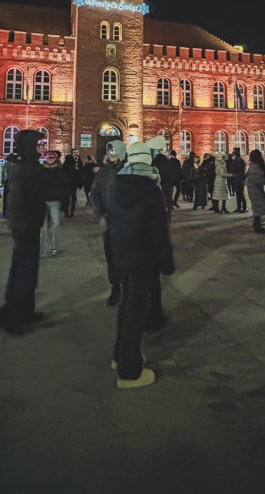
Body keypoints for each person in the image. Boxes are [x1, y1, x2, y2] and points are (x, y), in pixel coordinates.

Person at [107, 141, 175, 389]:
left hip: (122, 256)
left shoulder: (117, 184)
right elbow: (159, 234)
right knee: (136, 311)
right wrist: (166, 264)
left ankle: (120, 354)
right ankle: (129, 371)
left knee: (127, 307)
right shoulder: (150, 190)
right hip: (142, 258)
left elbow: (111, 223)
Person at [0, 130, 48, 335]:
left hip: (29, 224)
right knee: (23, 272)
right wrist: (23, 224)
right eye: (38, 144)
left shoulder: (30, 166)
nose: (42, 147)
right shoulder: (27, 168)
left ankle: (26, 310)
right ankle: (13, 317)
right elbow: (16, 199)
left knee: (29, 270)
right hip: (26, 226)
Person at [91, 141, 126, 306]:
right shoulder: (103, 173)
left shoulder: (129, 171)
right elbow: (95, 195)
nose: (112, 155)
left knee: (127, 256)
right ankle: (116, 287)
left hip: (127, 221)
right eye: (109, 152)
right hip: (110, 221)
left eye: (114, 152)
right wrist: (101, 215)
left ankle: (128, 286)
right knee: (111, 256)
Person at [40, 150, 66, 256]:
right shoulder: (40, 170)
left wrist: (64, 202)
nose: (50, 158)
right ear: (45, 158)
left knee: (55, 224)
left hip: (55, 200)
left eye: (52, 157)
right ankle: (44, 248)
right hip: (41, 201)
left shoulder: (60, 171)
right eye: (48, 156)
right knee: (43, 226)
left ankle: (54, 246)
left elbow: (64, 186)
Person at [245, 149, 265, 233]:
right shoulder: (255, 166)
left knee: (257, 207)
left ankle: (256, 223)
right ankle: (257, 226)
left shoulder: (253, 165)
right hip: (255, 189)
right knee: (257, 207)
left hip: (254, 188)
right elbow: (256, 179)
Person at [62, 149, 82, 217]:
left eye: (77, 152)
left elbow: (81, 172)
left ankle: (72, 212)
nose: (76, 153)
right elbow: (64, 169)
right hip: (68, 182)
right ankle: (66, 212)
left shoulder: (79, 160)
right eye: (74, 152)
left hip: (75, 183)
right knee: (67, 198)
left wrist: (80, 183)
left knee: (73, 198)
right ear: (71, 153)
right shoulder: (68, 160)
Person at [229, 148, 247, 213]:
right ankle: (239, 207)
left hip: (239, 179)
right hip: (236, 179)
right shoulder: (237, 160)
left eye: (234, 151)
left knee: (241, 194)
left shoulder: (240, 160)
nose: (233, 153)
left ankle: (244, 207)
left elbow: (242, 170)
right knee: (238, 194)